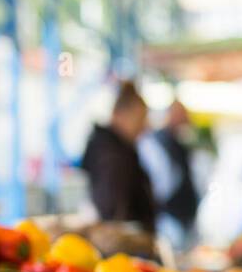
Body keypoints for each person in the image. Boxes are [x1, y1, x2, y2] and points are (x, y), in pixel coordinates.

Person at [80, 81, 155, 230]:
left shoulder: (117, 149)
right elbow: (112, 211)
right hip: (125, 245)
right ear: (120, 115)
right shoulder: (112, 155)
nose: (144, 127)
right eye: (139, 119)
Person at [140, 100, 202, 252]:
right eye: (182, 114)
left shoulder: (179, 141)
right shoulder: (157, 142)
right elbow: (163, 182)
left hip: (183, 216)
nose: (186, 119)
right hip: (170, 216)